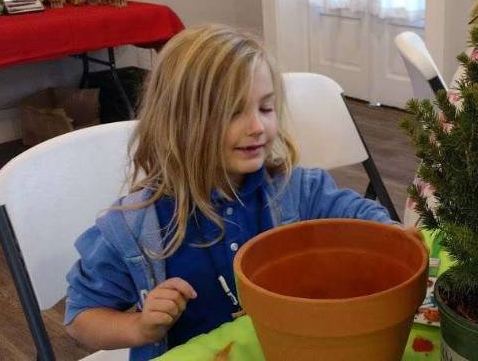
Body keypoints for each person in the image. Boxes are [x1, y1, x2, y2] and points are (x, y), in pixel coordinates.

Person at [64, 24, 415, 360]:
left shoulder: (297, 190)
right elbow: (81, 317)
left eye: (265, 107)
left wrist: (394, 237)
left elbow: (359, 216)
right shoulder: (135, 226)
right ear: (179, 122)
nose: (257, 126)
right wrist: (140, 328)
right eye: (233, 113)